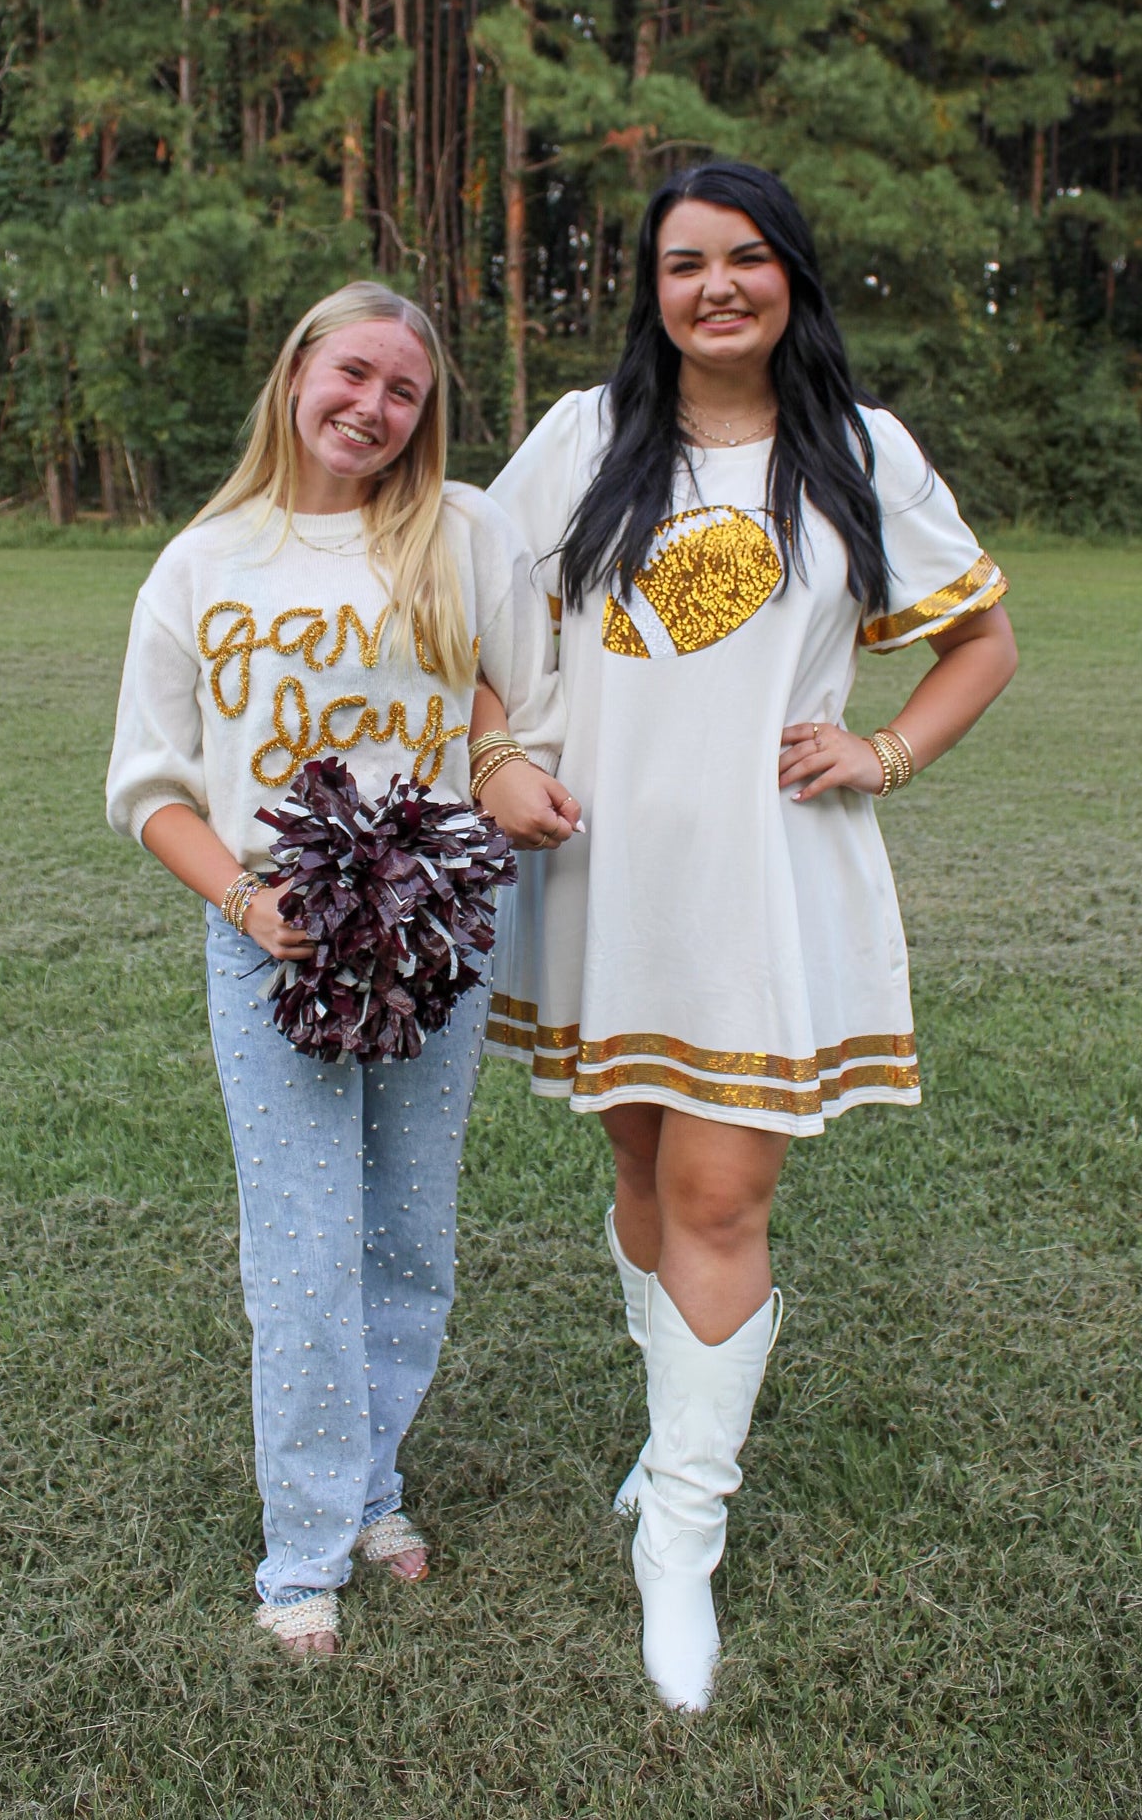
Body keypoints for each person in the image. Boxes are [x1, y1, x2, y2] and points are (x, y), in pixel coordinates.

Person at [482, 161, 1018, 1712]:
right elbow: (470, 629)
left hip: (767, 874)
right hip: (601, 870)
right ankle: (669, 1448)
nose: (713, 286)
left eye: (744, 258)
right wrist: (499, 758)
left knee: (720, 1185)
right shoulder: (583, 437)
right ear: (649, 290)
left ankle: (681, 1541)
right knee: (644, 1164)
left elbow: (981, 638)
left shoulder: (859, 450)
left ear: (792, 272)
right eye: (680, 264)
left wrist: (887, 751)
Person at [106, 281, 578, 1659]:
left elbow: (514, 692)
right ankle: (302, 1552)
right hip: (274, 945)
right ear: (296, 367)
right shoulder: (203, 563)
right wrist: (251, 903)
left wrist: (487, 763)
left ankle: (373, 1484)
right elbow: (150, 789)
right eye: (353, 375)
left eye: (404, 393)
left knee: (404, 1234)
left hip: (431, 934)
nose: (371, 409)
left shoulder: (466, 529)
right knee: (304, 1248)